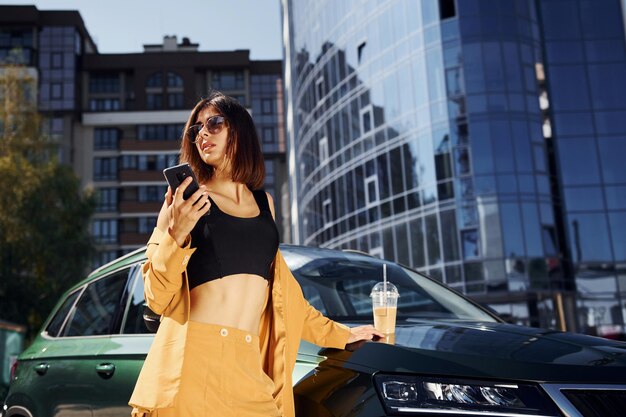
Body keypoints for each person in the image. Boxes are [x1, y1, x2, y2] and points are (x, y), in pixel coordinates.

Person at [129, 91, 383, 417]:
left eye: (214, 123)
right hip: (192, 364)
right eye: (196, 129)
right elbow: (156, 298)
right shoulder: (180, 203)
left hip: (247, 366)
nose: (202, 133)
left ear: (239, 129)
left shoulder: (265, 205)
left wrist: (344, 334)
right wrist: (176, 234)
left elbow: (285, 299)